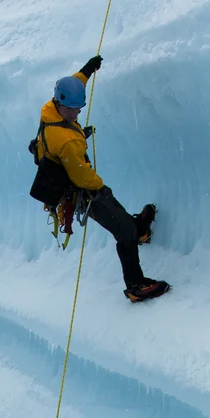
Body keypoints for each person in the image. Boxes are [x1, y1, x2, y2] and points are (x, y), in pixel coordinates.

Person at [38, 56, 169, 303]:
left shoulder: (52, 107)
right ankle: (135, 285)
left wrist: (88, 69)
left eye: (79, 108)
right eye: (72, 110)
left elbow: (75, 82)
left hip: (76, 180)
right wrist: (98, 185)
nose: (76, 113)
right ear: (60, 103)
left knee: (111, 203)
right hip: (79, 192)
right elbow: (81, 175)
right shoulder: (65, 140)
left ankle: (138, 230)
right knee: (120, 228)